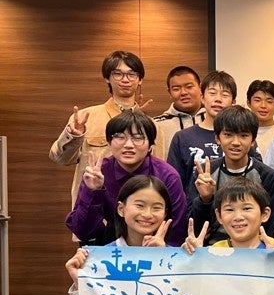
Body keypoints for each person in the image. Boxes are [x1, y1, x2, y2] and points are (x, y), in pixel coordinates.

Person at [65, 111, 187, 246]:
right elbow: (83, 232)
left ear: (150, 146)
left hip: (159, 245)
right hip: (112, 244)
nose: (128, 144)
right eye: (120, 137)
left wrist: (162, 252)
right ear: (109, 142)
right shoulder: (98, 173)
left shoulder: (167, 176)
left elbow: (177, 229)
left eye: (138, 138)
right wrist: (93, 191)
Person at [49, 50, 150, 206]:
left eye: (132, 74)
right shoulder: (85, 118)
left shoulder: (152, 126)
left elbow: (158, 170)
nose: (125, 79)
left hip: (138, 208)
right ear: (107, 78)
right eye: (118, 74)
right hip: (93, 206)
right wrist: (74, 136)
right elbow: (60, 159)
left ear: (140, 80)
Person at [65, 175, 174, 295]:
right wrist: (80, 281)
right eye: (140, 205)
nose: (147, 214)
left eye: (156, 207)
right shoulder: (99, 258)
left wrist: (168, 258)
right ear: (121, 209)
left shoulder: (175, 258)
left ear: (165, 213)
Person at [188, 105, 274, 246]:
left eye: (243, 135)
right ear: (217, 138)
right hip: (212, 248)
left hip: (255, 248)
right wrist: (205, 199)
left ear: (253, 140)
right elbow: (193, 227)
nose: (236, 142)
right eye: (228, 135)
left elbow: (273, 226)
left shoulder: (268, 176)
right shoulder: (204, 173)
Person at [166, 70, 237, 190]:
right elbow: (174, 184)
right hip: (194, 201)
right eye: (212, 93)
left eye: (225, 95)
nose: (218, 99)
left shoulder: (241, 136)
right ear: (202, 98)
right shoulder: (182, 138)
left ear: (233, 102)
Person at [183, 177, 274, 251]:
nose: (238, 217)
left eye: (246, 208)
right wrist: (196, 258)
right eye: (229, 210)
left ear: (264, 214)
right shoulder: (214, 252)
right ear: (219, 216)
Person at [152, 66, 205, 160]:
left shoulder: (215, 119)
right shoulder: (156, 125)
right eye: (176, 89)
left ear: (200, 88)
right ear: (169, 92)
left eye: (189, 87)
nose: (183, 92)